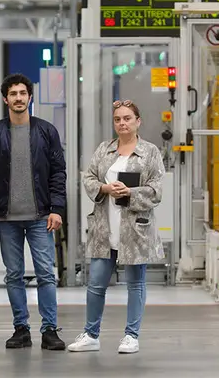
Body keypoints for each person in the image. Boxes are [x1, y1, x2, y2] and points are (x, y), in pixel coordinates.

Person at [0, 73, 67, 350]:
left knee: (45, 274)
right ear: (6, 99)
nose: (18, 98)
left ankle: (50, 329)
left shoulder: (46, 131)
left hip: (41, 217)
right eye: (13, 94)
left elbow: (57, 173)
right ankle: (21, 328)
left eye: (22, 93)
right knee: (13, 275)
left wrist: (57, 208)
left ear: (30, 97)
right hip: (6, 218)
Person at [67, 100, 165, 355]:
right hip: (104, 228)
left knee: (135, 283)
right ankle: (91, 334)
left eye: (127, 118)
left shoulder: (150, 152)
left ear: (137, 121)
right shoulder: (104, 150)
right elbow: (88, 177)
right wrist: (104, 188)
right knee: (96, 284)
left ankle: (131, 336)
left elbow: (157, 190)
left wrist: (130, 192)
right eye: (118, 119)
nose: (122, 123)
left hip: (134, 230)